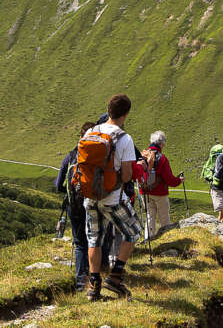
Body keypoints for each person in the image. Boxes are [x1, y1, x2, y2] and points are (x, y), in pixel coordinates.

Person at [84, 94, 142, 301]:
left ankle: (94, 286)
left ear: (108, 110)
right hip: (113, 197)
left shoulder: (91, 131)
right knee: (134, 232)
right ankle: (115, 277)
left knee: (94, 239)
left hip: (90, 196)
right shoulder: (125, 139)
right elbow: (127, 175)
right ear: (126, 114)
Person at [54, 121, 96, 291]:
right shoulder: (96, 156)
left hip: (74, 205)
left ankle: (80, 283)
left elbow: (58, 184)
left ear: (80, 136)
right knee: (94, 240)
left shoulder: (71, 155)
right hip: (92, 204)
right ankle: (95, 278)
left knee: (79, 243)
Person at [142, 130, 184, 239]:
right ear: (161, 144)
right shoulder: (162, 158)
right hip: (160, 193)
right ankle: (167, 239)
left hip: (145, 191)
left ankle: (148, 239)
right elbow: (169, 179)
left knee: (149, 216)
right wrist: (179, 180)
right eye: (164, 143)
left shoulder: (144, 155)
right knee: (164, 218)